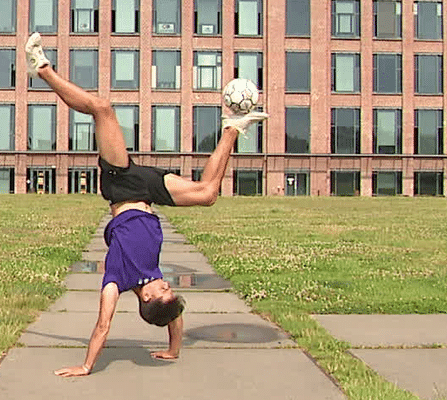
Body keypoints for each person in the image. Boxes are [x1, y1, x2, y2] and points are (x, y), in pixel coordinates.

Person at [24, 33, 268, 377]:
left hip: (122, 186)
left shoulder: (116, 280)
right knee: (208, 194)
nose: (167, 284)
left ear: (147, 299)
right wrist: (173, 349)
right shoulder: (155, 281)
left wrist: (86, 365)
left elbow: (102, 327)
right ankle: (232, 128)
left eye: (163, 291)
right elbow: (174, 319)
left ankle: (41, 67)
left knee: (102, 109)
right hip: (150, 192)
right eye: (169, 288)